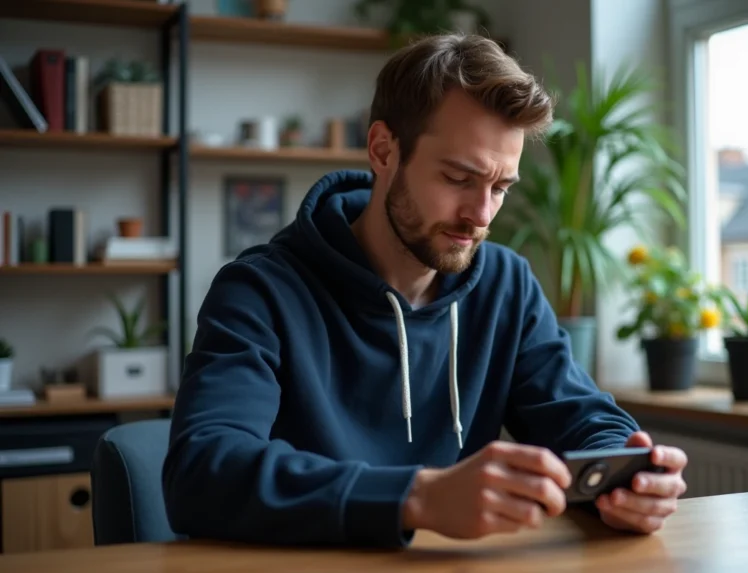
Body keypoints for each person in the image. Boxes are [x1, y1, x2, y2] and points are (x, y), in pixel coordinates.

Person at [161, 33, 688, 548]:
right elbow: (203, 471)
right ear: (383, 150)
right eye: (459, 178)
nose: (482, 215)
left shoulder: (506, 285)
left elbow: (580, 417)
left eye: (500, 187)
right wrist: (416, 497)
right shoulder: (259, 291)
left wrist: (631, 472)